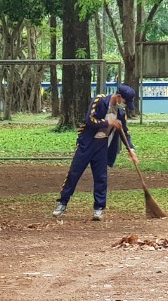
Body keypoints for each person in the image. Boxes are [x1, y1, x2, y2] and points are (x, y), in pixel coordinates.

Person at [53, 83, 137, 221]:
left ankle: (98, 208)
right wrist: (108, 123)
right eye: (124, 102)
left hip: (102, 146)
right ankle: (62, 202)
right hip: (87, 144)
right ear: (119, 97)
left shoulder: (121, 113)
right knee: (74, 173)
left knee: (101, 178)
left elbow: (125, 133)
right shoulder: (100, 100)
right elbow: (89, 119)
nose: (124, 105)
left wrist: (131, 150)